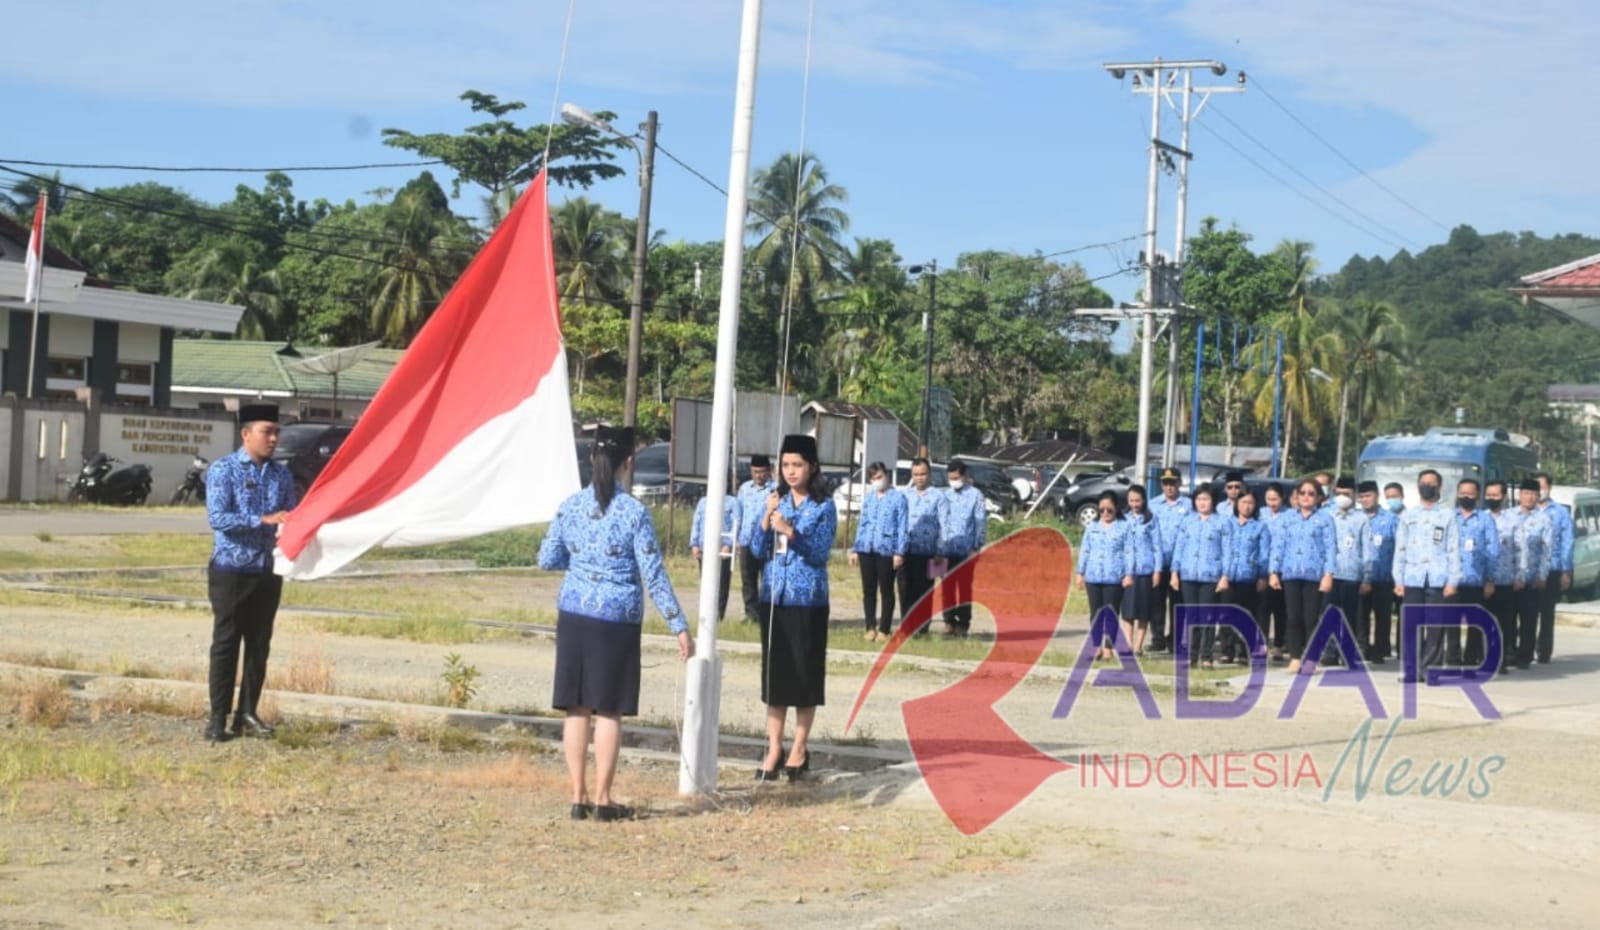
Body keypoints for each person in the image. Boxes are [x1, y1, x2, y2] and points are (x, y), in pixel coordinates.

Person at [538, 426, 693, 821]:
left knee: (576, 707)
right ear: (629, 463)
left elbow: (547, 558)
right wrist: (678, 625)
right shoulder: (634, 513)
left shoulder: (570, 506)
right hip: (616, 619)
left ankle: (578, 796)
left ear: (592, 458)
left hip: (574, 613)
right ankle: (604, 799)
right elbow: (653, 574)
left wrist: (580, 563)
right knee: (608, 709)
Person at [204, 404, 296, 743]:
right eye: (266, 431)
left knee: (258, 644)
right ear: (246, 434)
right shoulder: (223, 469)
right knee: (226, 643)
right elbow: (218, 518)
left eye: (276, 432)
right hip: (231, 570)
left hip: (267, 570)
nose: (273, 439)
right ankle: (217, 717)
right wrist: (262, 520)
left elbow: (292, 516)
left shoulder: (281, 475)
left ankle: (247, 714)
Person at [750, 434, 838, 782]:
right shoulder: (777, 500)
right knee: (776, 677)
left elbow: (819, 553)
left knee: (804, 674)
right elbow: (756, 549)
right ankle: (774, 747)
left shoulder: (823, 506)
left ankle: (799, 748)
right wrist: (767, 516)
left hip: (807, 600)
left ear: (811, 467)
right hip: (775, 596)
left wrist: (790, 531)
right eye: (786, 464)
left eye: (797, 465)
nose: (791, 471)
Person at [1393, 469, 1459, 684]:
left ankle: (1431, 670)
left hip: (1438, 578)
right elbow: (1400, 549)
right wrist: (1398, 579)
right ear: (1418, 486)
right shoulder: (1408, 516)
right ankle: (1411, 670)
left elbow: (1453, 550)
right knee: (1411, 626)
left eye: (1431, 483)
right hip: (1412, 577)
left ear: (1439, 487)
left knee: (1435, 628)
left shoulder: (1448, 516)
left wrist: (1453, 580)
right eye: (1423, 483)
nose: (1427, 487)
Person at [1269, 478, 1335, 675]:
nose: (1306, 497)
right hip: (1291, 573)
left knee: (1311, 618)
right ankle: (1295, 657)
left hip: (1314, 575)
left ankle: (1311, 657)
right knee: (1293, 617)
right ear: (1296, 496)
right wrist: (1273, 571)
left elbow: (1330, 548)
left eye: (1311, 493)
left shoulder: (1325, 519)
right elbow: (1278, 546)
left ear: (1319, 497)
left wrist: (1328, 574)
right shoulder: (1287, 518)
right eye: (1302, 493)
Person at [1170, 486, 1234, 669]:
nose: (1202, 503)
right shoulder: (1188, 521)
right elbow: (1179, 548)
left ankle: (1207, 656)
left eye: (1206, 499)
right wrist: (1174, 573)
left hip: (1211, 576)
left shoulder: (1222, 522)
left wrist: (1225, 575)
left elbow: (1228, 551)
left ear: (1213, 501)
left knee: (1207, 617)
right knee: (1192, 617)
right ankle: (1192, 655)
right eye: (1199, 499)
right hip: (1188, 574)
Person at [849, 461, 907, 642]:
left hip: (887, 550)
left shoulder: (898, 498)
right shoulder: (869, 498)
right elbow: (862, 523)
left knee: (886, 590)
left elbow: (902, 526)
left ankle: (884, 628)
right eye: (873, 478)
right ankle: (870, 627)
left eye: (880, 477)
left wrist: (899, 552)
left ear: (887, 475)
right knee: (868, 590)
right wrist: (856, 549)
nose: (877, 480)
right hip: (867, 548)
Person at [1076, 490, 1130, 661]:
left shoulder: (1124, 527)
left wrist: (1128, 574)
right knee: (1095, 613)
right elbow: (1085, 550)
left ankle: (1108, 647)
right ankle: (1096, 646)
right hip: (1093, 576)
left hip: (1114, 578)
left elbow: (1129, 552)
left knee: (1111, 613)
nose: (1105, 513)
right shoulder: (1092, 528)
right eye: (1102, 510)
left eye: (1109, 510)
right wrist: (1080, 572)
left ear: (1116, 508)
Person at [1452, 478, 1498, 667]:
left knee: (1475, 623)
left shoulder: (1485, 519)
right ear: (1457, 493)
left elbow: (1492, 550)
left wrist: (1490, 579)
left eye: (1470, 493)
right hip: (1452, 580)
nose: (1466, 496)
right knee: (1451, 621)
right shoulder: (1449, 517)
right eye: (1463, 493)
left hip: (1476, 580)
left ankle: (1471, 657)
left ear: (1477, 495)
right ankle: (1453, 657)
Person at [940, 461, 989, 637]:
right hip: (945, 550)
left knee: (964, 588)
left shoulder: (975, 495)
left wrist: (977, 546)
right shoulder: (944, 495)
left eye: (956, 478)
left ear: (964, 476)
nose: (953, 481)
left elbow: (980, 522)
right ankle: (949, 621)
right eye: (950, 478)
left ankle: (963, 623)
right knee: (946, 587)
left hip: (966, 551)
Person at [1326, 475, 1369, 666]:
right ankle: (1330, 651)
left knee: (1350, 616)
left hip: (1352, 574)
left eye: (1347, 493)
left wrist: (1367, 577)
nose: (1343, 497)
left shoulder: (1361, 518)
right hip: (1330, 573)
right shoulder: (1326, 515)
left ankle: (1347, 651)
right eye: (1340, 493)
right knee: (1329, 614)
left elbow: (1367, 550)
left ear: (1354, 495)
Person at [1222, 489, 1269, 663]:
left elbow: (1264, 553)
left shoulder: (1260, 527)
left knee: (1247, 614)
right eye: (1243, 502)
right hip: (1228, 576)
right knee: (1227, 613)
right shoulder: (1227, 524)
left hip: (1249, 576)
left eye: (1250, 503)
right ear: (1237, 504)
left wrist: (1262, 575)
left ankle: (1244, 650)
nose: (1247, 506)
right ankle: (1227, 650)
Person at [1150, 467, 1194, 653]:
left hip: (1181, 562)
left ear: (1179, 483)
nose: (1169, 487)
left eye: (1173, 483)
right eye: (1166, 483)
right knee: (1156, 601)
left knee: (1178, 602)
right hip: (1158, 562)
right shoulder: (1153, 505)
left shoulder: (1189, 505)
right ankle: (1157, 638)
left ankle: (1175, 638)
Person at [899, 458, 945, 635]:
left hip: (929, 553)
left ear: (929, 474)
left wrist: (940, 550)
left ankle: (922, 627)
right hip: (906, 550)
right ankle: (907, 625)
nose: (919, 478)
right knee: (905, 589)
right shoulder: (905, 495)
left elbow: (944, 525)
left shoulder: (939, 497)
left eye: (923, 474)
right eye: (916, 474)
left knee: (924, 590)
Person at [1512, 478, 1554, 670]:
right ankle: (1509, 653)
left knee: (1528, 620)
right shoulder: (1508, 516)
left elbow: (1547, 550)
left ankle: (1525, 656)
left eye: (1533, 494)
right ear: (1519, 494)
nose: (1529, 497)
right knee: (1508, 618)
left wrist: (1542, 575)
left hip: (1532, 579)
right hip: (1510, 578)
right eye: (1526, 493)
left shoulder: (1544, 520)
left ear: (1538, 496)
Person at [1358, 480, 1399, 664]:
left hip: (1384, 576)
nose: (1365, 500)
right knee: (1361, 616)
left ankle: (1380, 650)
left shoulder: (1391, 519)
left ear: (1377, 496)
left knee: (1383, 617)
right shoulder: (1357, 518)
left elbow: (1400, 547)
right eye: (1362, 497)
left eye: (1368, 496)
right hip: (1360, 576)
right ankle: (1362, 647)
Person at [1534, 472, 1573, 663]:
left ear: (1549, 488)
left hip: (1552, 568)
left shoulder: (1560, 512)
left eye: (1542, 487)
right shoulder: (1525, 510)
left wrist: (1566, 571)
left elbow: (1567, 542)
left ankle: (1544, 650)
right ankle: (1525, 648)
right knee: (1527, 611)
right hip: (1530, 570)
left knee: (1547, 612)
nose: (1539, 491)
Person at [690, 479, 741, 621]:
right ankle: (706, 614)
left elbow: (736, 523)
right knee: (706, 582)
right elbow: (696, 522)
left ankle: (719, 616)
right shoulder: (703, 502)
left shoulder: (732, 502)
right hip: (705, 547)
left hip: (723, 547)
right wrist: (694, 544)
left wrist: (729, 544)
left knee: (722, 582)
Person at [1484, 480, 1520, 675]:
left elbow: (1520, 549)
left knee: (1504, 622)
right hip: (1483, 581)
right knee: (1484, 621)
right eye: (1488, 495)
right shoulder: (1480, 519)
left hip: (1505, 579)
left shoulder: (1513, 520)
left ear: (1504, 497)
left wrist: (1520, 574)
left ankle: (1501, 659)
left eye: (1495, 495)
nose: (1491, 498)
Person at [736, 455, 777, 623]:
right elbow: (739, 514)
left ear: (769, 471)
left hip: (768, 542)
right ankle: (751, 615)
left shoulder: (775, 489)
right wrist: (737, 538)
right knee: (748, 580)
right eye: (755, 472)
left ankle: (767, 614)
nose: (759, 475)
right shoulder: (744, 489)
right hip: (746, 541)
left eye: (762, 472)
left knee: (767, 579)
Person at [1122, 484, 1160, 656]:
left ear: (1144, 500)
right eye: (1131, 500)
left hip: (1145, 570)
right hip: (1128, 572)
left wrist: (1157, 571)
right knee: (1128, 612)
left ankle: (1138, 647)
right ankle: (1128, 645)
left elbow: (1157, 547)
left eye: (1138, 500)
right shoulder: (1123, 519)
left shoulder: (1151, 519)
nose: (1135, 504)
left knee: (1143, 612)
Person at [1260, 482, 1291, 660]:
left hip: (1282, 569)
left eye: (1275, 499)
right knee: (1263, 608)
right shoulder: (1261, 514)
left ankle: (1279, 644)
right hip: (1263, 568)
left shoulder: (1290, 515)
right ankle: (1262, 643)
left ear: (1282, 498)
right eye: (1268, 499)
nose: (1272, 503)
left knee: (1280, 609)